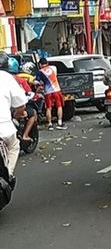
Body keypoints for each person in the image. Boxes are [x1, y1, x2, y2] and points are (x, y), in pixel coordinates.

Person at [0, 53, 29, 181]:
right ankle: (8, 176)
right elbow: (21, 106)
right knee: (14, 146)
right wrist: (17, 115)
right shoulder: (7, 78)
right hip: (4, 128)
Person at [7, 58, 38, 145]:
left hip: (5, 107)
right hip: (16, 107)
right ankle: (25, 135)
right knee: (32, 113)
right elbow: (29, 92)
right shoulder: (20, 79)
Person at [36, 58, 66, 131]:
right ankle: (59, 123)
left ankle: (50, 124)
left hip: (48, 92)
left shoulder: (40, 71)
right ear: (47, 63)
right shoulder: (53, 68)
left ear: (40, 64)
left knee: (48, 108)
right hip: (56, 90)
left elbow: (37, 81)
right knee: (59, 106)